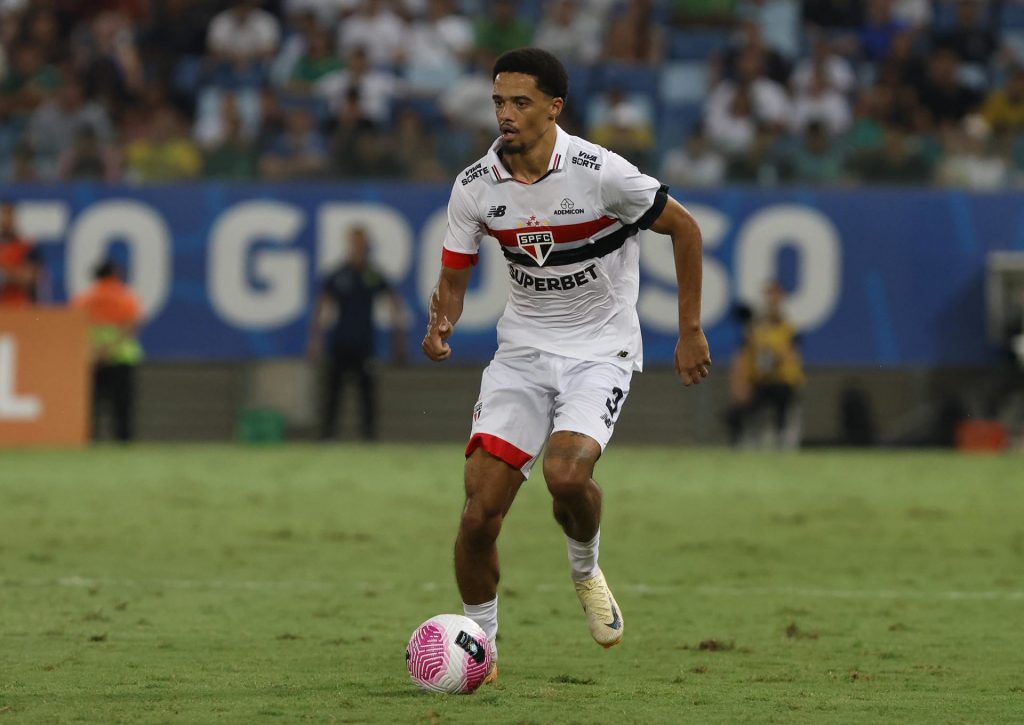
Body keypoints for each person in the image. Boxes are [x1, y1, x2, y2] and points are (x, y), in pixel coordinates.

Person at [421, 47, 710, 681]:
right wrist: (442, 318)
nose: (506, 114)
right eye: (499, 101)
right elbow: (453, 275)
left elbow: (685, 230)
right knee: (477, 517)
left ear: (555, 108)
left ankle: (585, 569)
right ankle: (484, 649)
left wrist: (688, 329)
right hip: (521, 355)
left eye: (521, 102)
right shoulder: (474, 186)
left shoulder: (601, 173)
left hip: (600, 352)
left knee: (567, 478)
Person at [307, 227, 405, 441]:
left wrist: (397, 338)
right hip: (340, 341)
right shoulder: (339, 274)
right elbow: (321, 305)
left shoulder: (372, 275)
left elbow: (393, 301)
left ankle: (368, 438)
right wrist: (316, 340)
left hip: (364, 343)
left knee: (367, 394)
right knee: (333, 391)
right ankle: (327, 436)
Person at [72, 260, 144, 442]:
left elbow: (74, 329)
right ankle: (123, 442)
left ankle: (88, 440)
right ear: (115, 274)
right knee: (122, 407)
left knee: (90, 407)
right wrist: (110, 349)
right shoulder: (126, 298)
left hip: (91, 359)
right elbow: (130, 328)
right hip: (121, 359)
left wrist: (97, 352)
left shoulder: (82, 299)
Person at [738, 281, 804, 448]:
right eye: (769, 296)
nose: (772, 301)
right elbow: (745, 357)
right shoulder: (754, 329)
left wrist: (778, 360)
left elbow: (793, 354)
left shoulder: (790, 327)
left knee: (784, 418)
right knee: (753, 417)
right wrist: (743, 382)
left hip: (784, 380)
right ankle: (750, 447)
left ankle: (784, 447)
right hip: (761, 380)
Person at [0, 202, 42, 306]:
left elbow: (30, 277)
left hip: (20, 308)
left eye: (10, 215)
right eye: (3, 214)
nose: (6, 220)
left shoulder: (27, 247)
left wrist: (4, 275)